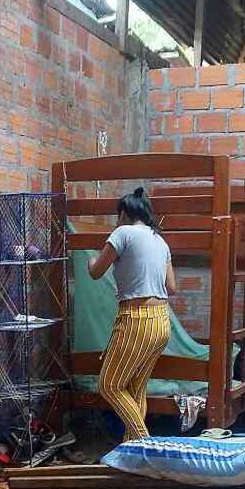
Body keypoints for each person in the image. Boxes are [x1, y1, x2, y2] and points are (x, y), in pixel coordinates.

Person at [87, 188, 176, 441]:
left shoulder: (123, 232)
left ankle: (144, 442)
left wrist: (90, 261)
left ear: (123, 213)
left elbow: (96, 272)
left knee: (110, 385)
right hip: (161, 321)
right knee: (136, 390)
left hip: (137, 319)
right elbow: (172, 288)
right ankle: (132, 452)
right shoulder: (160, 240)